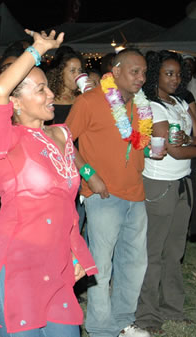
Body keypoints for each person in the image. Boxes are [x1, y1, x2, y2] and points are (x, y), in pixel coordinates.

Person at [0, 29, 97, 337]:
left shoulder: (63, 135)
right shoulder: (4, 141)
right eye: (40, 89)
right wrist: (37, 50)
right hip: (16, 267)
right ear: (16, 102)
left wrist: (75, 252)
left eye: (47, 88)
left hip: (57, 268)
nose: (51, 94)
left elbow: (66, 207)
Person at [66, 48, 153, 337]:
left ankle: (123, 321)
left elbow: (136, 143)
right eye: (134, 71)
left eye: (143, 72)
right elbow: (63, 140)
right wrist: (89, 174)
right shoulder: (89, 101)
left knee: (134, 262)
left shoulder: (142, 106)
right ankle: (101, 328)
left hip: (136, 193)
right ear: (115, 71)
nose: (141, 78)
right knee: (100, 265)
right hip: (102, 195)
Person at [135, 51, 196, 333]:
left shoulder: (180, 101)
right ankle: (146, 315)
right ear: (155, 74)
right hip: (160, 185)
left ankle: (173, 309)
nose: (175, 78)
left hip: (182, 185)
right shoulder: (153, 107)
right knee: (153, 252)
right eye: (168, 73)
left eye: (178, 74)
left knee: (175, 251)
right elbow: (178, 151)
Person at [46, 46, 89, 124]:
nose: (77, 75)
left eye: (79, 70)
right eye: (72, 71)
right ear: (60, 73)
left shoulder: (82, 97)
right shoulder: (49, 99)